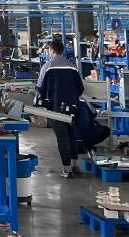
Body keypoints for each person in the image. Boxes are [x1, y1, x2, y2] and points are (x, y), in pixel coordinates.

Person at [35, 38, 84, 178]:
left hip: (56, 109)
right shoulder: (72, 67)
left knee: (62, 138)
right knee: (72, 135)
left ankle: (66, 169)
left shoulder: (47, 66)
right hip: (73, 108)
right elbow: (80, 88)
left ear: (51, 50)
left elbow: (40, 89)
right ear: (62, 51)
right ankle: (74, 166)